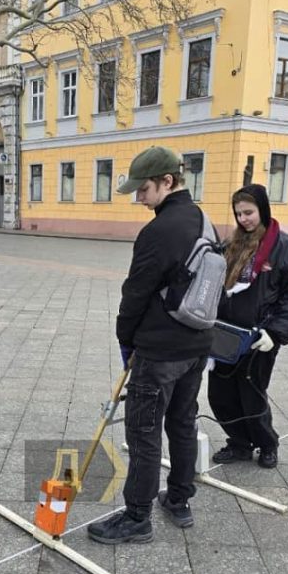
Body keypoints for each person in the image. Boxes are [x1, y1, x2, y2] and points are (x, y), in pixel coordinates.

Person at [87, 146, 215, 545]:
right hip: (196, 346)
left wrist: (126, 340)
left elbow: (135, 294)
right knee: (182, 424)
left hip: (158, 351)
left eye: (143, 190)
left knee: (144, 434)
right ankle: (178, 499)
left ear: (168, 182)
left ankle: (137, 517)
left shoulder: (157, 232)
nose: (138, 199)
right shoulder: (204, 221)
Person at [208, 184, 288, 469]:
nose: (244, 219)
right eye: (239, 213)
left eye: (249, 212)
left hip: (259, 337)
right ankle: (239, 443)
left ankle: (267, 444)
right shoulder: (231, 245)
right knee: (219, 395)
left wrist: (276, 333)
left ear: (263, 210)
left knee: (251, 394)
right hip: (225, 334)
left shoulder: (287, 249)